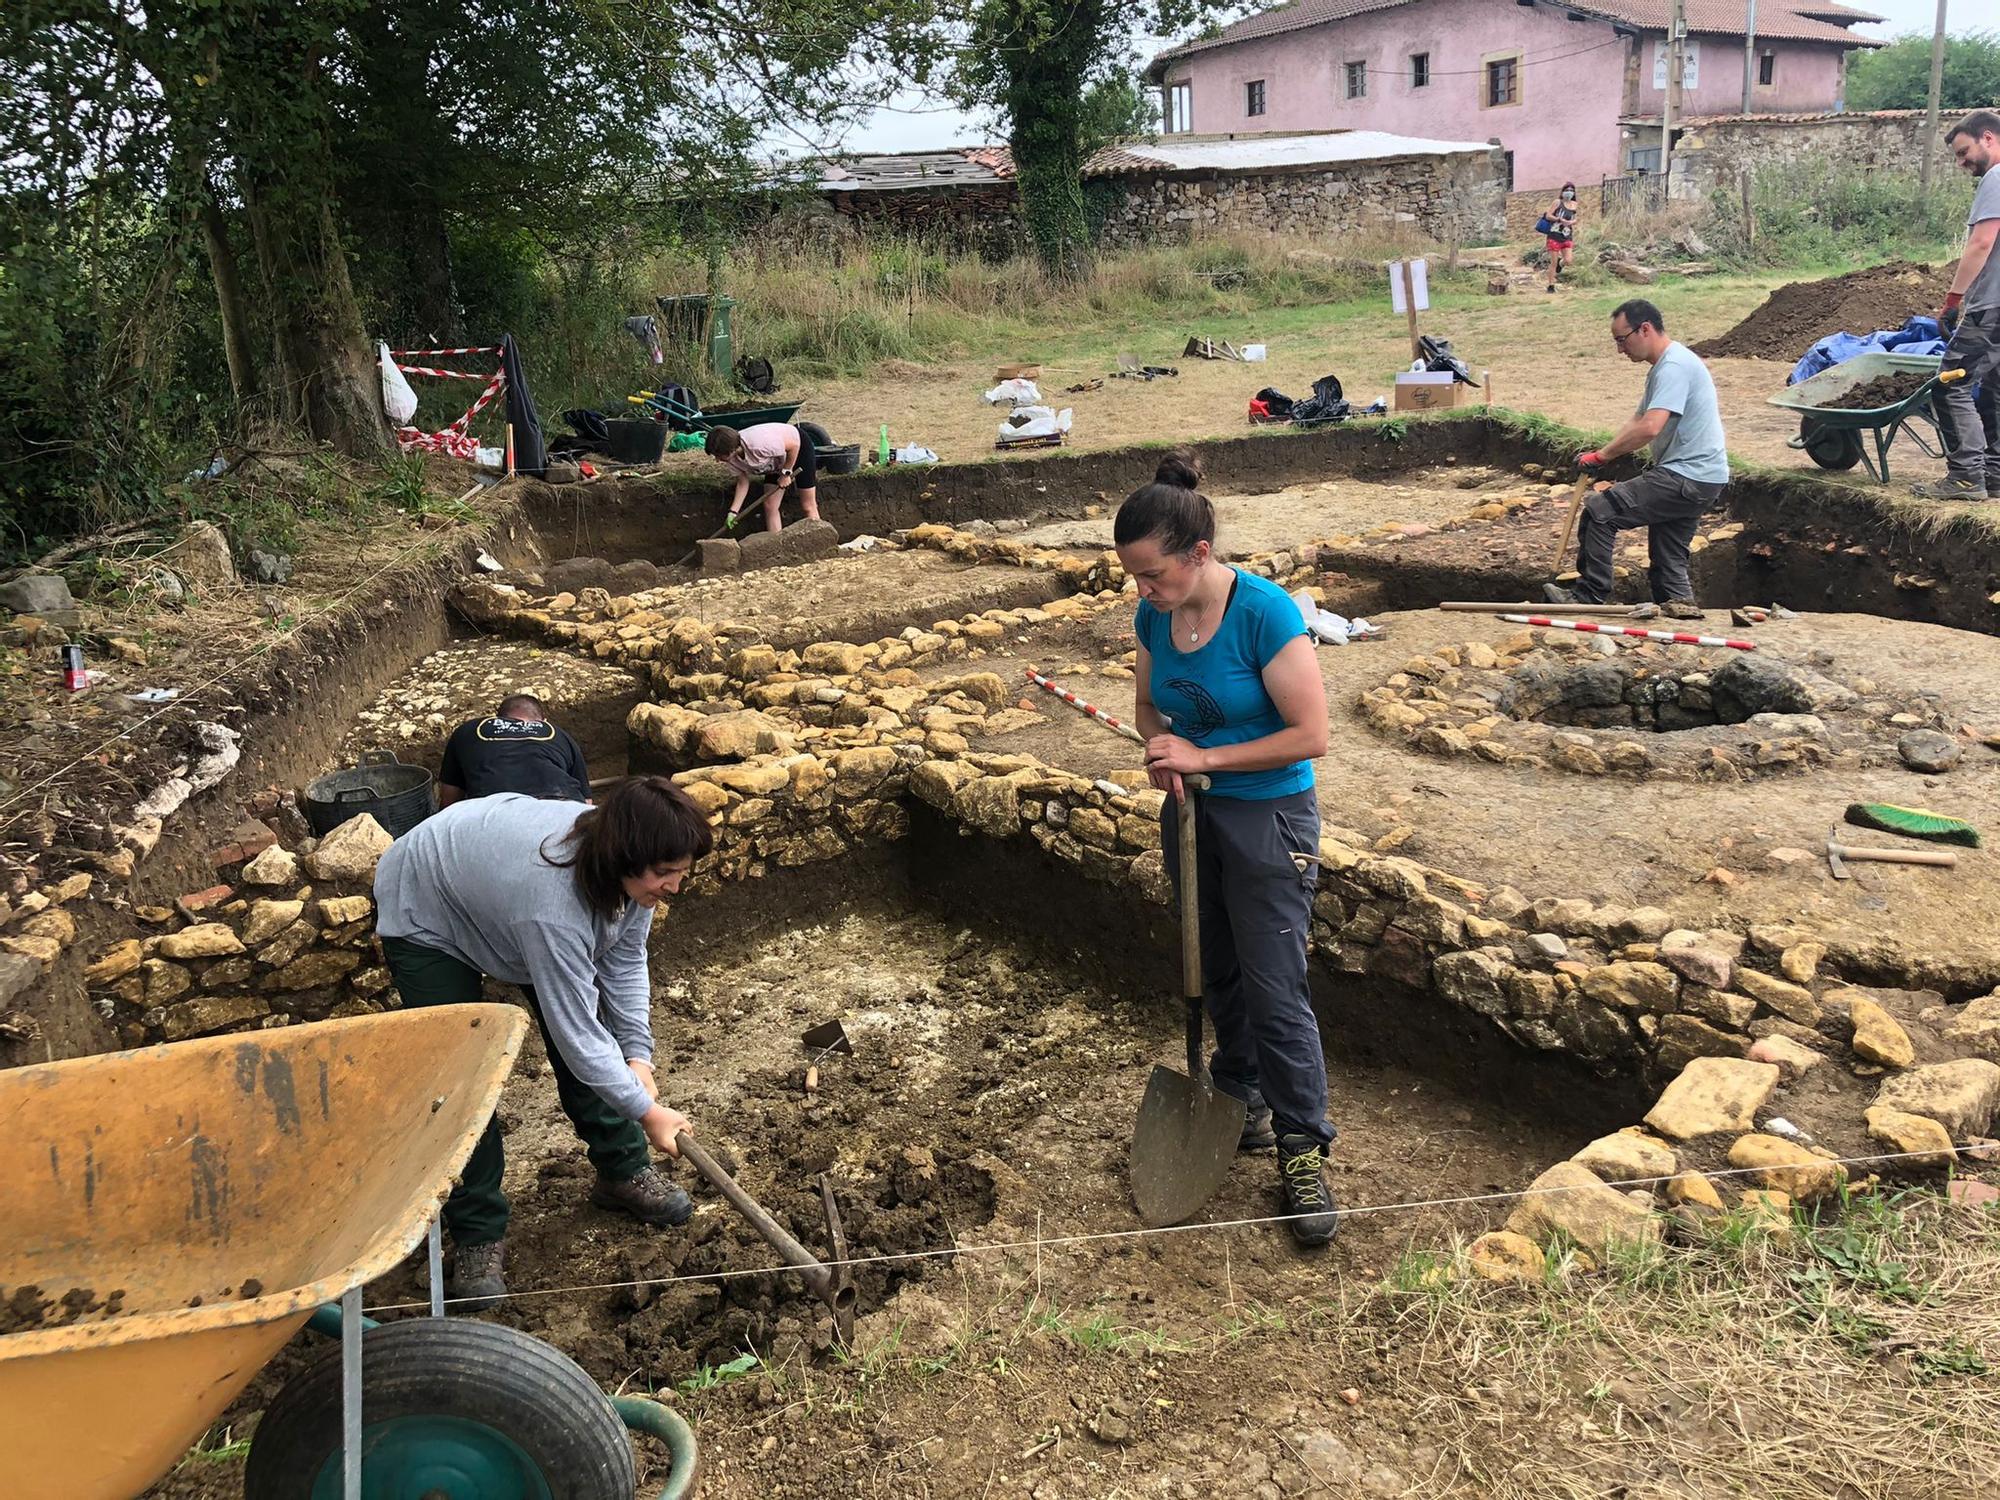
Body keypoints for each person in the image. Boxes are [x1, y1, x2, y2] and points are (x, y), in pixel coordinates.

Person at [373, 776, 714, 1304]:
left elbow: (623, 965)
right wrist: (647, 1113)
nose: (675, 887)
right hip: (428, 902)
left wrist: (636, 1056)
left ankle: (622, 1172)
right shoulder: (551, 908)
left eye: (682, 873)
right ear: (625, 855)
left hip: (496, 887)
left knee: (594, 1039)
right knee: (461, 1073)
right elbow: (576, 1033)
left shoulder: (624, 876)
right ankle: (477, 1232)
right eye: (666, 874)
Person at [1116, 452, 1338, 1249]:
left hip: (1268, 819)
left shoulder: (1265, 615)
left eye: (1154, 575)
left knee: (1276, 985)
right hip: (1191, 818)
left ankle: (1303, 1144)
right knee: (1216, 966)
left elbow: (1311, 735)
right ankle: (1235, 1091)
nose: (1144, 592)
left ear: (1199, 554)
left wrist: (1203, 759)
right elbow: (1149, 706)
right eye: (1134, 578)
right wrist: (1161, 750)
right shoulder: (1153, 619)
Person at [1544, 299, 1728, 618]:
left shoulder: (1674, 367)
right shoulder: (1667, 366)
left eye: (1621, 339)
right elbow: (1637, 419)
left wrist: (1602, 455)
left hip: (1686, 476)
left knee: (1601, 511)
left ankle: (1590, 595)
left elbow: (1650, 427)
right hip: (1702, 478)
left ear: (1644, 329)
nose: (1620, 350)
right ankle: (1681, 617)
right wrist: (1601, 455)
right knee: (1669, 561)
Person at [1915, 110, 2000, 501]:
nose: (1961, 161)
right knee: (1996, 387)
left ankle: (1966, 477)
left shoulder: (1997, 178)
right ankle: (1994, 473)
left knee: (1950, 384)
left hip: (1993, 307)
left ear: (1988, 138)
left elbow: (1982, 243)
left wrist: (1953, 301)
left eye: (1963, 151)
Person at [436, 692, 591, 807]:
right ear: (544, 721)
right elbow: (586, 803)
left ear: (498, 718)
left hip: (492, 809)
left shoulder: (468, 730)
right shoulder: (559, 733)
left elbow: (449, 802)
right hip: (563, 804)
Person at [705, 422, 822, 534]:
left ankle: (821, 541)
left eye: (718, 455)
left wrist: (786, 473)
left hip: (798, 449)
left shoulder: (758, 444)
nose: (717, 460)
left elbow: (793, 445)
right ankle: (777, 546)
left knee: (808, 505)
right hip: (775, 463)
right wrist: (733, 511)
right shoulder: (731, 459)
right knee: (770, 505)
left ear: (730, 449)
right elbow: (743, 482)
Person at [1543, 183, 1579, 293]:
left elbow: (1576, 218)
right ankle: (1551, 285)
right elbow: (1548, 215)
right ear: (1562, 191)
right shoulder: (1557, 202)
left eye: (1571, 190)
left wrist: (1571, 222)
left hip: (1567, 235)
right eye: (1567, 189)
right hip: (1554, 235)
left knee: (1568, 260)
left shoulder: (1574, 204)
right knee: (1553, 262)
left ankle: (1561, 263)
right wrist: (1559, 219)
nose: (1569, 192)